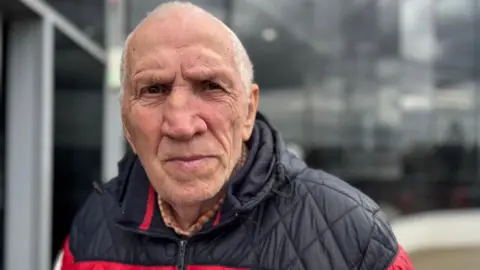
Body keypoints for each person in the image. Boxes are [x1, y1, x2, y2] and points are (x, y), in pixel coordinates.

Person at [60, 2, 413, 269]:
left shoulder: (353, 236)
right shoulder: (94, 225)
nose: (182, 124)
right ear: (126, 120)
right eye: (154, 89)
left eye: (211, 86)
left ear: (247, 110)